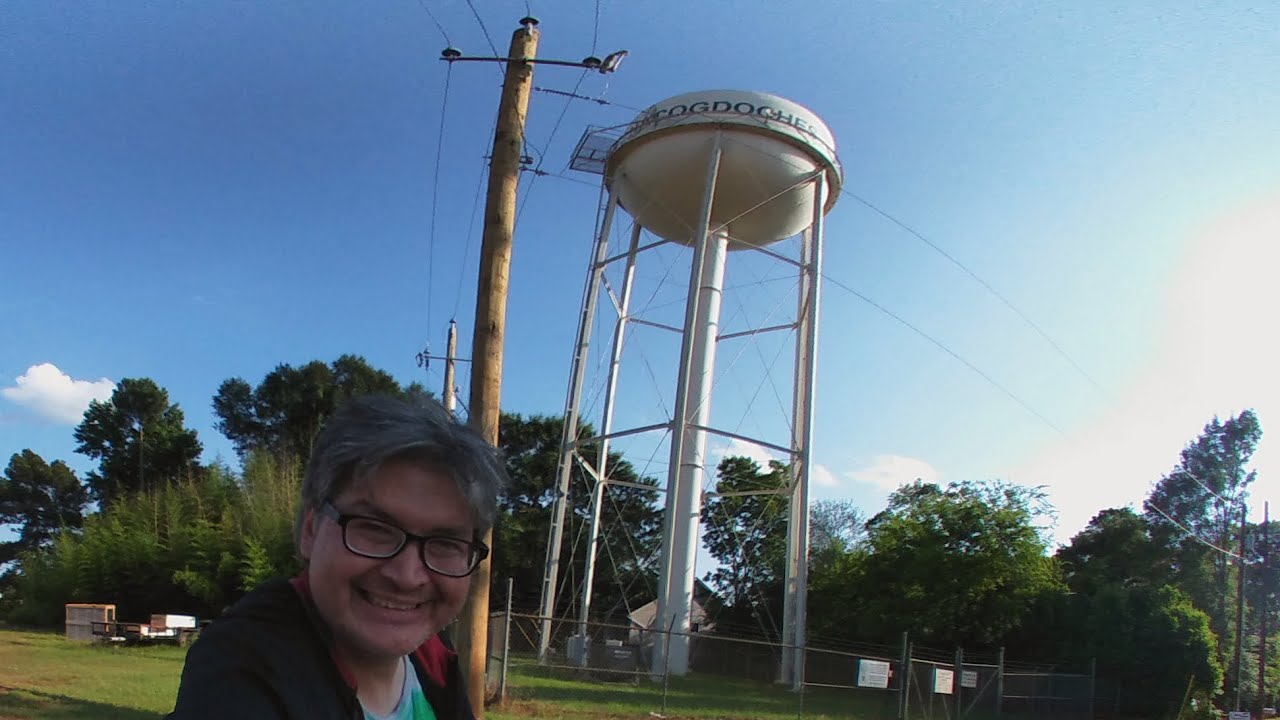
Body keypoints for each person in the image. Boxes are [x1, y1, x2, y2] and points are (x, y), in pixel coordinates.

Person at [169, 394, 506, 720]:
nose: (407, 576)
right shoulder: (240, 669)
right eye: (374, 528)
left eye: (445, 542)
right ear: (311, 530)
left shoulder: (431, 652)